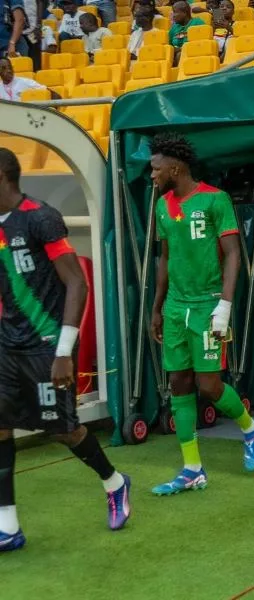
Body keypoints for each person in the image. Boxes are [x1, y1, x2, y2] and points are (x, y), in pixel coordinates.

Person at [0, 148, 132, 552]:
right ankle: (8, 526)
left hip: (45, 346)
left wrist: (64, 350)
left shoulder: (40, 217)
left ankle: (114, 482)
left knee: (64, 431)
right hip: (7, 345)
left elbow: (77, 283)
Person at [148, 133, 254, 496]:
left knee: (209, 386)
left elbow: (232, 253)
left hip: (208, 304)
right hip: (175, 309)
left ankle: (250, 428)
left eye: (155, 168)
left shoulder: (216, 199)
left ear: (175, 167)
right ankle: (192, 469)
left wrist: (225, 306)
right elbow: (164, 259)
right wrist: (156, 307)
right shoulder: (162, 206)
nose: (152, 175)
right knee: (178, 385)